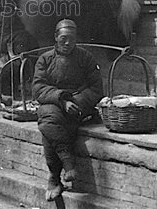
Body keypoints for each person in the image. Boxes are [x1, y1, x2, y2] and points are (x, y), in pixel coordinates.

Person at [32, 19, 103, 201]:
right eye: (63, 38)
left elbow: (96, 88)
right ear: (56, 37)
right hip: (54, 103)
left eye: (71, 39)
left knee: (51, 128)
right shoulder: (45, 59)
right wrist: (62, 100)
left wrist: (77, 102)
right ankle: (68, 163)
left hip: (78, 106)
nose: (67, 43)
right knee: (49, 120)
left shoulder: (85, 57)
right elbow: (38, 87)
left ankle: (54, 179)